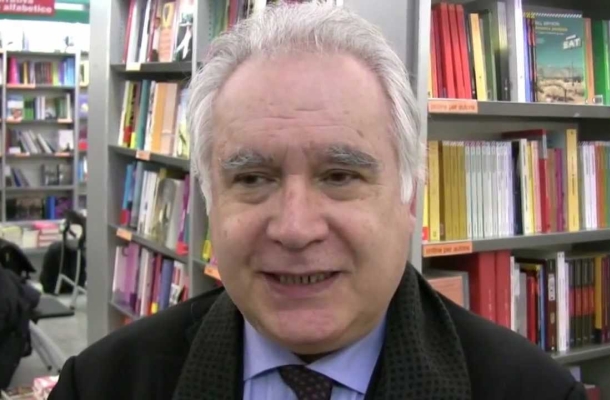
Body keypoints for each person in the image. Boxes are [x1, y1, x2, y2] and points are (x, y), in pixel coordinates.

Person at [49, 3, 586, 400]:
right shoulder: (99, 385)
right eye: (252, 179)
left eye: (340, 175)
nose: (295, 227)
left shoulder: (533, 392)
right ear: (210, 203)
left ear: (409, 201)